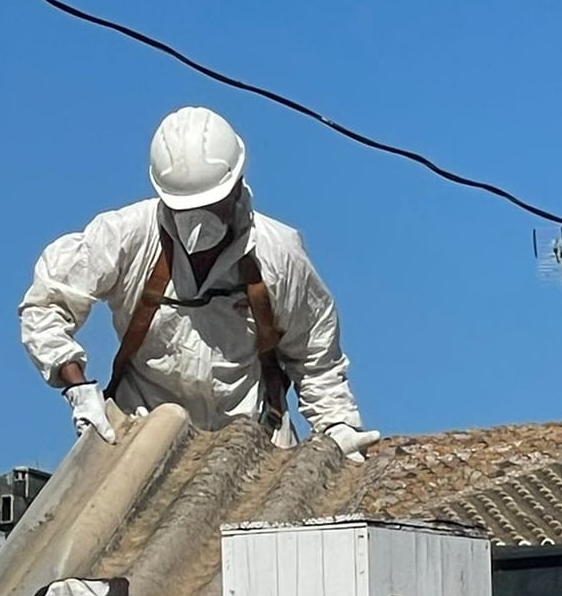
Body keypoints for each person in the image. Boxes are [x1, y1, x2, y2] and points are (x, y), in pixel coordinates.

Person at [19, 106, 379, 461]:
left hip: (253, 443)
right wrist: (77, 388)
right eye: (185, 211)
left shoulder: (278, 255)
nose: (197, 224)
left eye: (210, 207)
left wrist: (337, 427)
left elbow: (316, 358)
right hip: (141, 441)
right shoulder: (127, 236)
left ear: (236, 187)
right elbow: (46, 303)